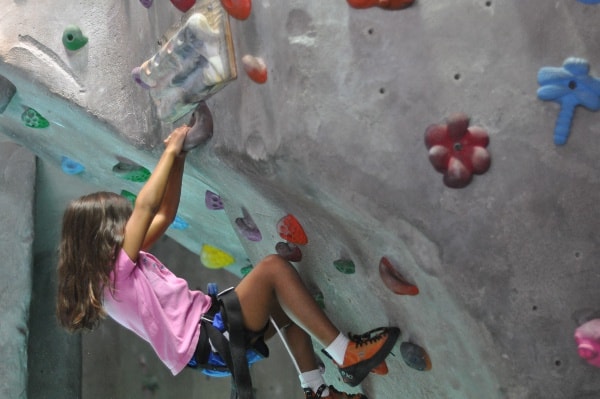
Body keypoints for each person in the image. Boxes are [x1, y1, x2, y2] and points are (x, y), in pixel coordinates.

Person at [56, 125, 399, 399]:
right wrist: (169, 150)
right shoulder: (113, 274)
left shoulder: (119, 273)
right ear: (100, 236)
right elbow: (146, 207)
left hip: (209, 337)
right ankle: (347, 355)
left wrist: (182, 157)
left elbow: (164, 213)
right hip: (209, 336)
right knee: (273, 269)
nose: (130, 227)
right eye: (121, 224)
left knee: (288, 304)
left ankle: (318, 390)